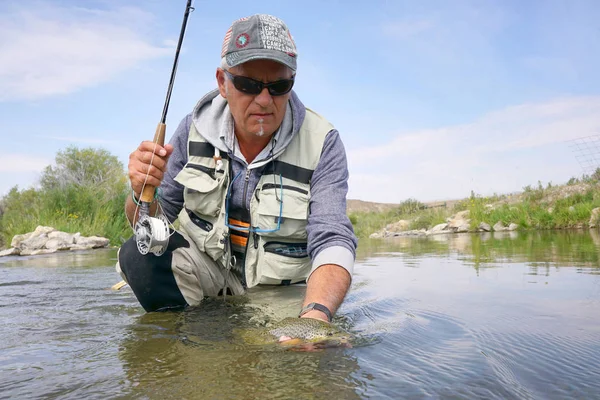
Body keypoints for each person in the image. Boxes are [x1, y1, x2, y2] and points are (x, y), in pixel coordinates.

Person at [116, 14, 357, 324]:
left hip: (283, 291)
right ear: (222, 83)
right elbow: (150, 225)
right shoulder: (192, 129)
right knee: (139, 256)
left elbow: (333, 238)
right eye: (248, 84)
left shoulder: (324, 142)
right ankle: (186, 338)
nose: (264, 100)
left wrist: (316, 314)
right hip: (208, 276)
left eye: (279, 86)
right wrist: (139, 193)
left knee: (295, 351)